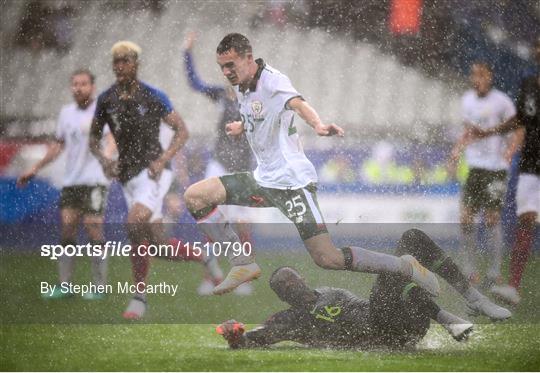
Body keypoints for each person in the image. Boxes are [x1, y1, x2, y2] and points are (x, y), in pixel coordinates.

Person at [183, 33, 506, 320]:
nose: (225, 72)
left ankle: (405, 266)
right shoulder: (242, 87)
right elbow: (261, 113)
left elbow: (298, 104)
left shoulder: (272, 79)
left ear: (248, 58)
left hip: (293, 184)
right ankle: (243, 262)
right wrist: (243, 126)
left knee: (328, 258)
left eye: (230, 64)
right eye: (221, 66)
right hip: (263, 179)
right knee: (195, 196)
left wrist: (319, 125)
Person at [89, 41, 220, 319]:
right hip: (127, 178)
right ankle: (204, 257)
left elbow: (182, 131)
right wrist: (105, 161)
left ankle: (139, 298)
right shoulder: (106, 99)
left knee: (134, 222)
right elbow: (93, 139)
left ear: (136, 64)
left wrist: (163, 159)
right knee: (157, 243)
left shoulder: (152, 96)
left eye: (125, 61)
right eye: (116, 62)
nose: (120, 66)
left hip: (154, 173)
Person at [217, 229, 511, 350]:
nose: (292, 286)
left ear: (303, 278)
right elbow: (255, 339)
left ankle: (472, 297)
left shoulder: (326, 291)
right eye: (285, 287)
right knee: (393, 272)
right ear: (283, 296)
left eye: (292, 279)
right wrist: (235, 334)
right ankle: (447, 318)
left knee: (411, 238)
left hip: (407, 322)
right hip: (381, 334)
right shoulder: (291, 320)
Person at [17, 68, 115, 300]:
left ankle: (99, 286)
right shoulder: (66, 113)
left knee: (93, 227)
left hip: (95, 180)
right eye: (75, 84)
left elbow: (112, 139)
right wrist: (35, 168)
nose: (78, 87)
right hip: (71, 181)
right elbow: (58, 146)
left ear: (92, 87)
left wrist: (108, 158)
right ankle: (65, 285)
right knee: (68, 229)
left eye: (83, 83)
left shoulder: (102, 111)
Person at [470, 38, 540, 305]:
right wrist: (490, 132)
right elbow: (520, 120)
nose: (537, 49)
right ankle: (513, 286)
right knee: (526, 220)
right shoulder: (529, 84)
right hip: (531, 165)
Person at [182, 31, 253, 296]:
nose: (229, 74)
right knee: (209, 221)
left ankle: (243, 278)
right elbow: (194, 83)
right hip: (220, 163)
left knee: (242, 225)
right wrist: (186, 52)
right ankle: (211, 277)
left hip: (244, 167)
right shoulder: (222, 95)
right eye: (226, 69)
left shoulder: (254, 96)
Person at [448, 62, 518, 287]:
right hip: (475, 166)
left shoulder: (502, 101)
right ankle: (470, 269)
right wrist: (456, 151)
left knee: (491, 218)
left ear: (490, 77)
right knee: (466, 218)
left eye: (481, 75)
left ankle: (495, 271)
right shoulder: (467, 100)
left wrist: (510, 150)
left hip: (496, 168)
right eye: (474, 75)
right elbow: (468, 131)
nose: (477, 79)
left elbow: (518, 128)